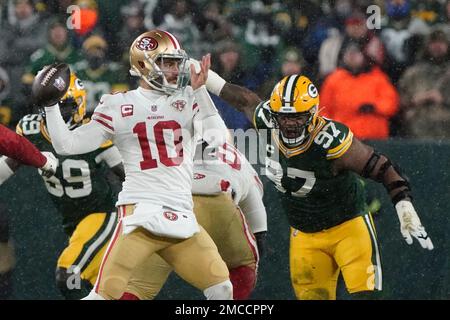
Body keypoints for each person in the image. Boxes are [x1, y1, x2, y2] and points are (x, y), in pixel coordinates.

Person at [199, 72, 433, 300]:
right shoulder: (267, 119)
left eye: (298, 116)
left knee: (366, 294)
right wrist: (201, 72)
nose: (290, 123)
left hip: (348, 228)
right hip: (304, 234)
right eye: (284, 116)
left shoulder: (330, 140)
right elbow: (241, 98)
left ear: (313, 113)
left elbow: (382, 167)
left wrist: (404, 206)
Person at [40, 30, 232, 300]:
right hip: (139, 215)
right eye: (167, 63)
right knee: (103, 295)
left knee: (222, 289)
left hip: (181, 215)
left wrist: (201, 91)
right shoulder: (118, 104)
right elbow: (67, 146)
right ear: (144, 64)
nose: (176, 70)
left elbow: (218, 140)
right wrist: (50, 107)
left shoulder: (189, 98)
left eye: (177, 62)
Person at [0, 72, 124, 299]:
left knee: (69, 275)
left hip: (102, 216)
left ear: (79, 104)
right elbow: (8, 165)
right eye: (49, 105)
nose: (53, 113)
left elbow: (128, 173)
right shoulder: (32, 129)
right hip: (74, 225)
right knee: (106, 291)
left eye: (62, 106)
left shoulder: (93, 132)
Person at [121, 140, 267, 300]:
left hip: (163, 206)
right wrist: (259, 237)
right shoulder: (241, 162)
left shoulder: (156, 143)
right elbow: (256, 215)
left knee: (136, 288)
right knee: (242, 268)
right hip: (216, 200)